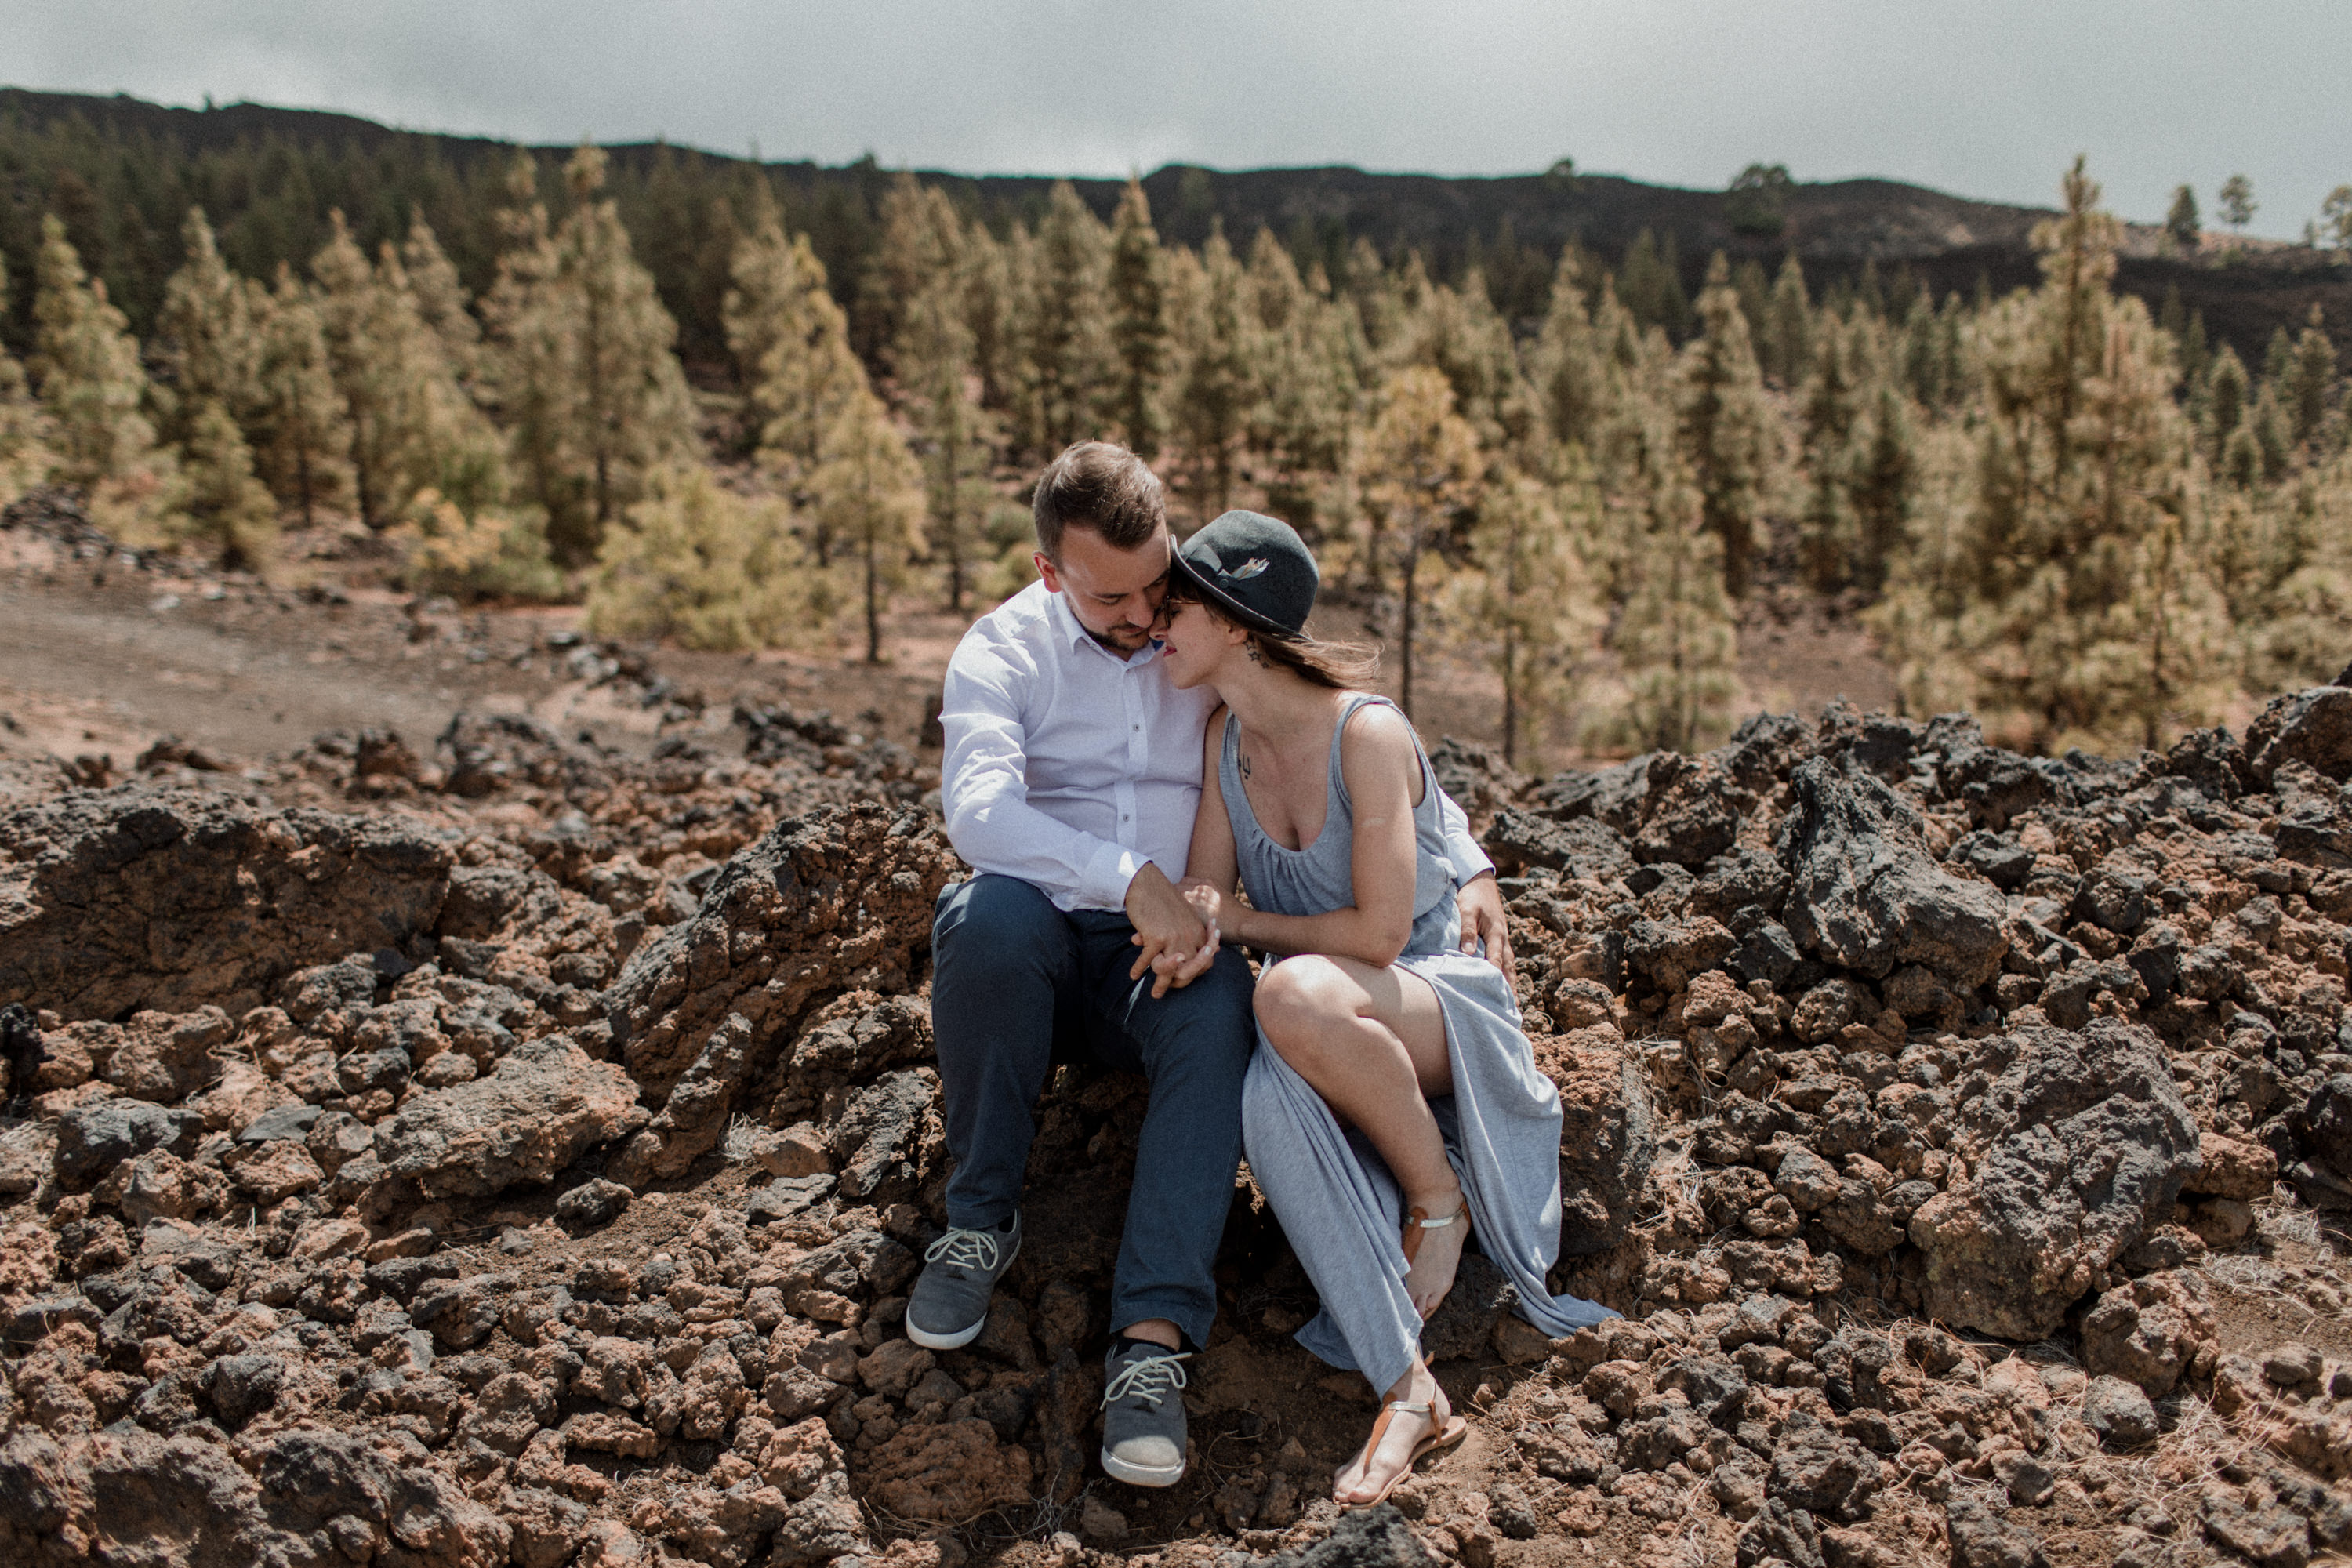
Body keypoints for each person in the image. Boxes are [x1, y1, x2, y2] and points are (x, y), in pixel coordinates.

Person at [920, 444, 1514, 1490]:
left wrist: (1465, 857)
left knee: (1220, 1007)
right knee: (987, 914)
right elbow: (977, 814)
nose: (1148, 612)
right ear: (1051, 572)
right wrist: (1125, 876)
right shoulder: (1002, 651)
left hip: (1167, 956)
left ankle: (1152, 1346)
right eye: (1118, 594)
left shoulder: (1192, 643)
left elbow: (1330, 714)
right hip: (1043, 950)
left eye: (1162, 581)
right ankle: (977, 1227)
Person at [1157, 509, 1617, 1509]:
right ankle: (1405, 1387)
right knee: (1266, 1101)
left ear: (1238, 623)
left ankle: (1438, 1196)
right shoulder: (1221, 736)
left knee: (1286, 991)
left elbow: (1371, 933)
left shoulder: (1365, 730)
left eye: (1178, 601)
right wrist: (1172, 928)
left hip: (1426, 990)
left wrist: (1231, 917)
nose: (1159, 617)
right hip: (1318, 1015)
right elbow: (1204, 896)